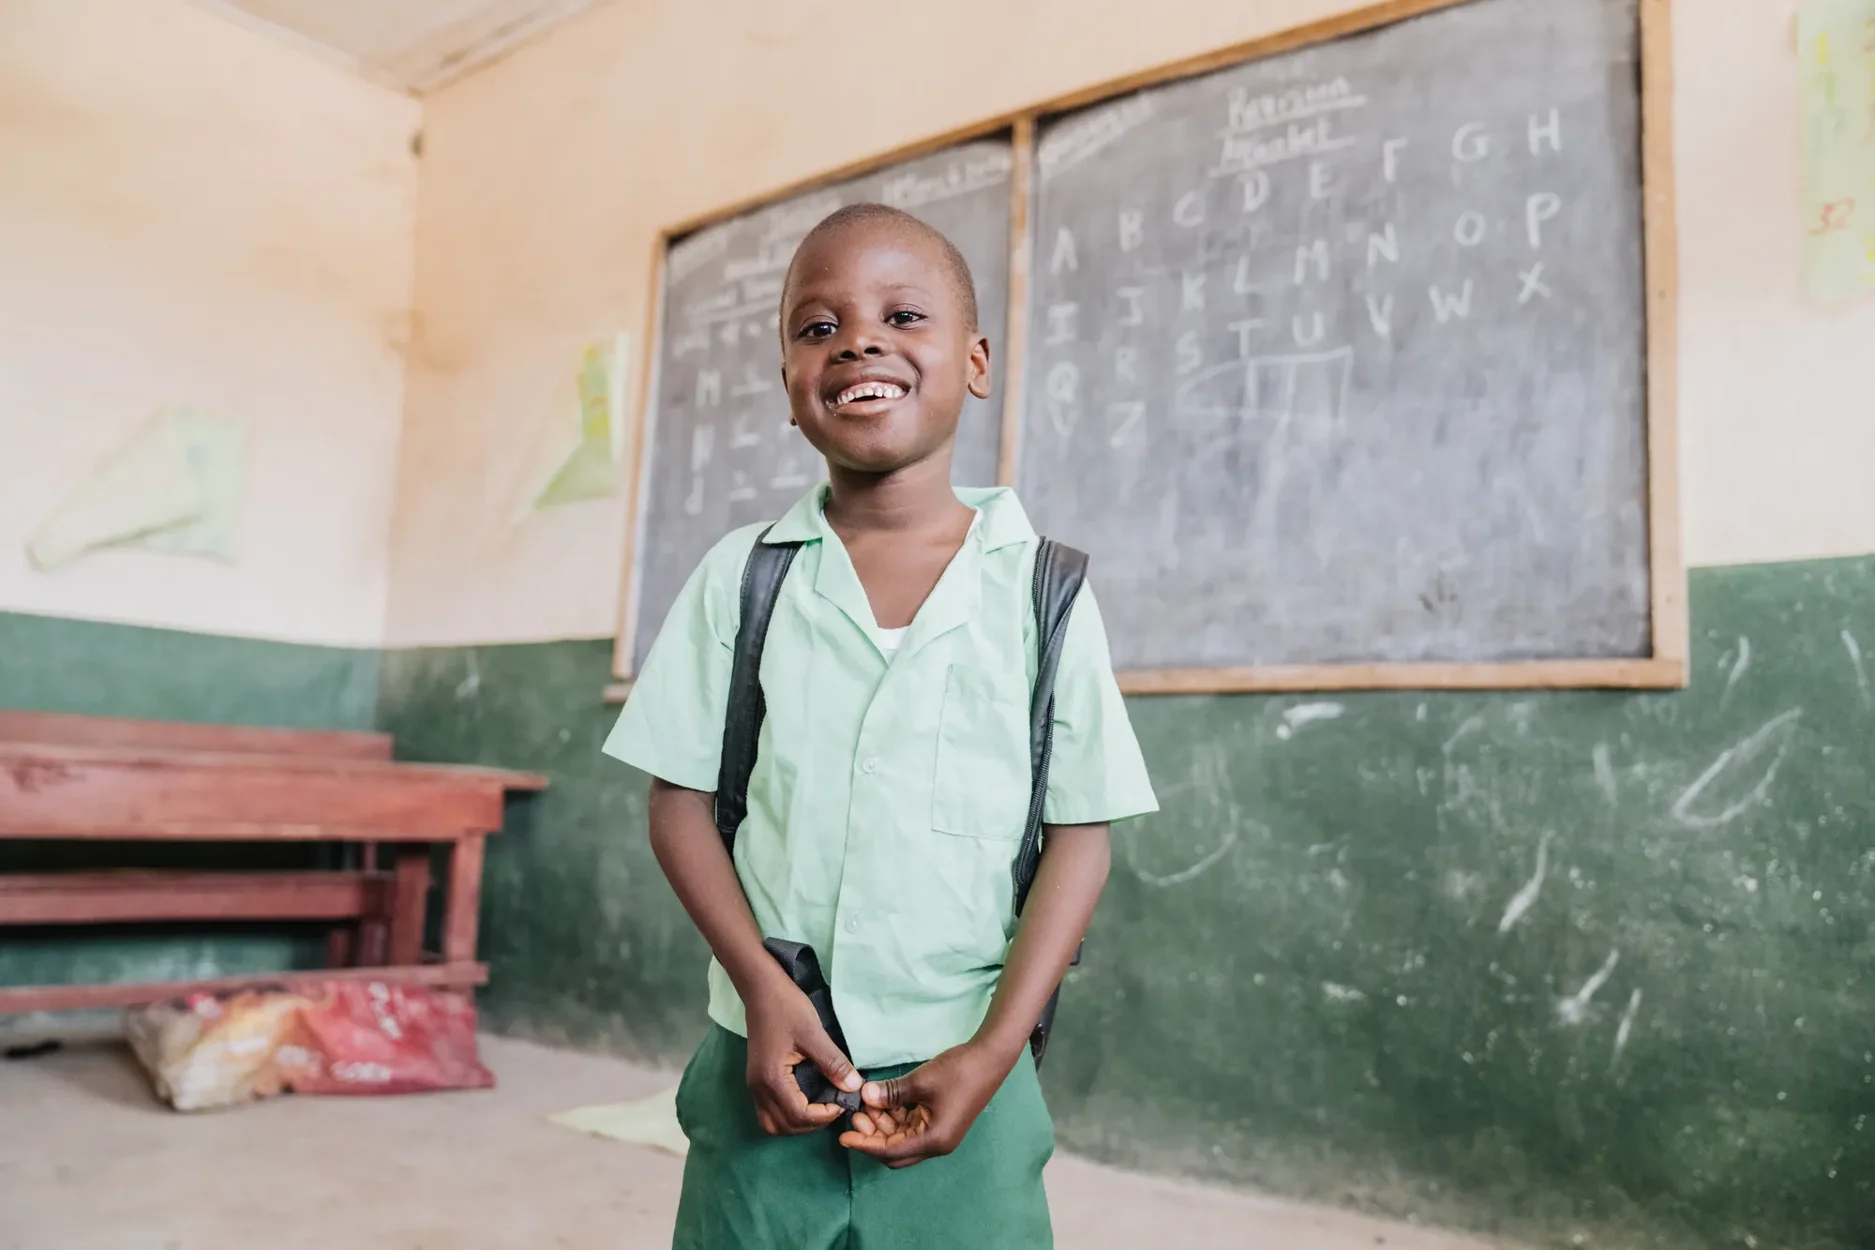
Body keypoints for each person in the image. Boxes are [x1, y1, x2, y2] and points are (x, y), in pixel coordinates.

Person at [603, 202, 1157, 1249]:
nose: (859, 339)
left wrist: (996, 1053)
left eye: (904, 314)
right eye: (818, 327)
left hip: (968, 1064)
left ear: (976, 360)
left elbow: (1082, 838)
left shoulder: (1044, 593)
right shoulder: (743, 577)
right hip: (762, 1053)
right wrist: (762, 988)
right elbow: (677, 804)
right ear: (790, 392)